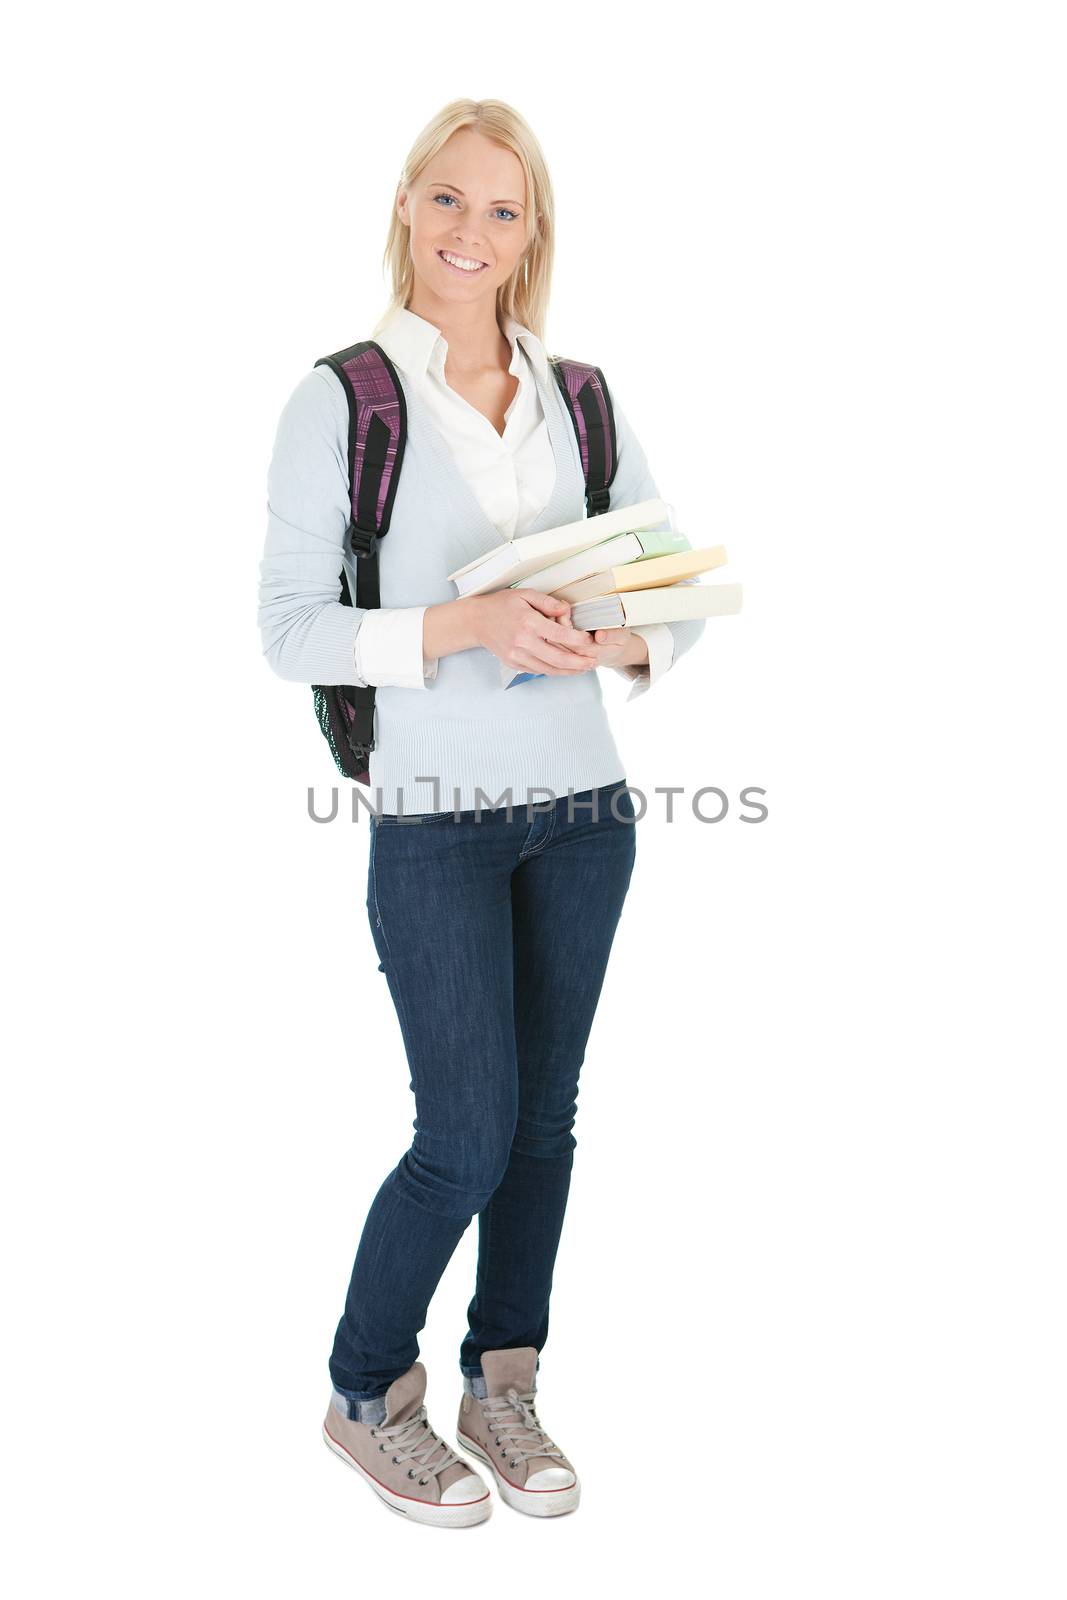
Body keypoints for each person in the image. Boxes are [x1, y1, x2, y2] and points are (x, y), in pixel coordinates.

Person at [258, 98, 705, 1528]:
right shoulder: (341, 399)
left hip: (584, 812)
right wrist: (465, 623)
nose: (471, 232)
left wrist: (622, 642)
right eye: (447, 200)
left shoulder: (582, 395)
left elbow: (669, 592)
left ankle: (500, 1381)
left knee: (547, 1123)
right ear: (405, 208)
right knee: (467, 1127)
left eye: (502, 211)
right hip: (436, 817)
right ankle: (363, 1390)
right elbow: (287, 631)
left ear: (532, 237)